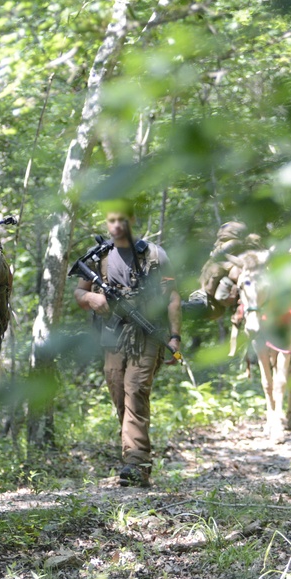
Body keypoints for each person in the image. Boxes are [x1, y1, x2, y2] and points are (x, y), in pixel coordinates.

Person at [74, 202, 182, 488]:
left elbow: (172, 297)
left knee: (135, 389)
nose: (117, 225)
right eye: (112, 220)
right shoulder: (99, 257)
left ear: (133, 219)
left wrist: (174, 337)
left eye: (123, 219)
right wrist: (91, 300)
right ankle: (133, 457)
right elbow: (79, 292)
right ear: (106, 223)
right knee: (118, 389)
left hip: (148, 334)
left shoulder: (155, 255)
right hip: (112, 335)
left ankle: (136, 463)